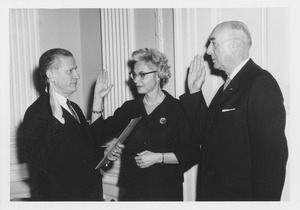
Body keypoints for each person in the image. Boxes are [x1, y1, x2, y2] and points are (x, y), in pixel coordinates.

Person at [180, 21, 288, 201]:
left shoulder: (261, 83)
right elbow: (207, 136)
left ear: (235, 45)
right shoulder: (228, 86)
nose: (208, 51)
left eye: (214, 43)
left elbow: (272, 161)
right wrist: (194, 91)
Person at [91, 48, 200, 201]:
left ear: (158, 74)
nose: (135, 79)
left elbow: (193, 152)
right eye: (134, 75)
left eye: (142, 75)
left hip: (166, 191)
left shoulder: (178, 108)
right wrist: (97, 98)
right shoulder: (130, 108)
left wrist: (159, 157)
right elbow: (97, 135)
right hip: (132, 191)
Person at [23, 48, 123, 201]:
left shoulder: (74, 107)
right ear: (51, 75)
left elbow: (84, 151)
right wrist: (56, 119)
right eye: (70, 71)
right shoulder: (36, 112)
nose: (77, 75)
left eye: (75, 69)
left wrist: (105, 154)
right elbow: (42, 159)